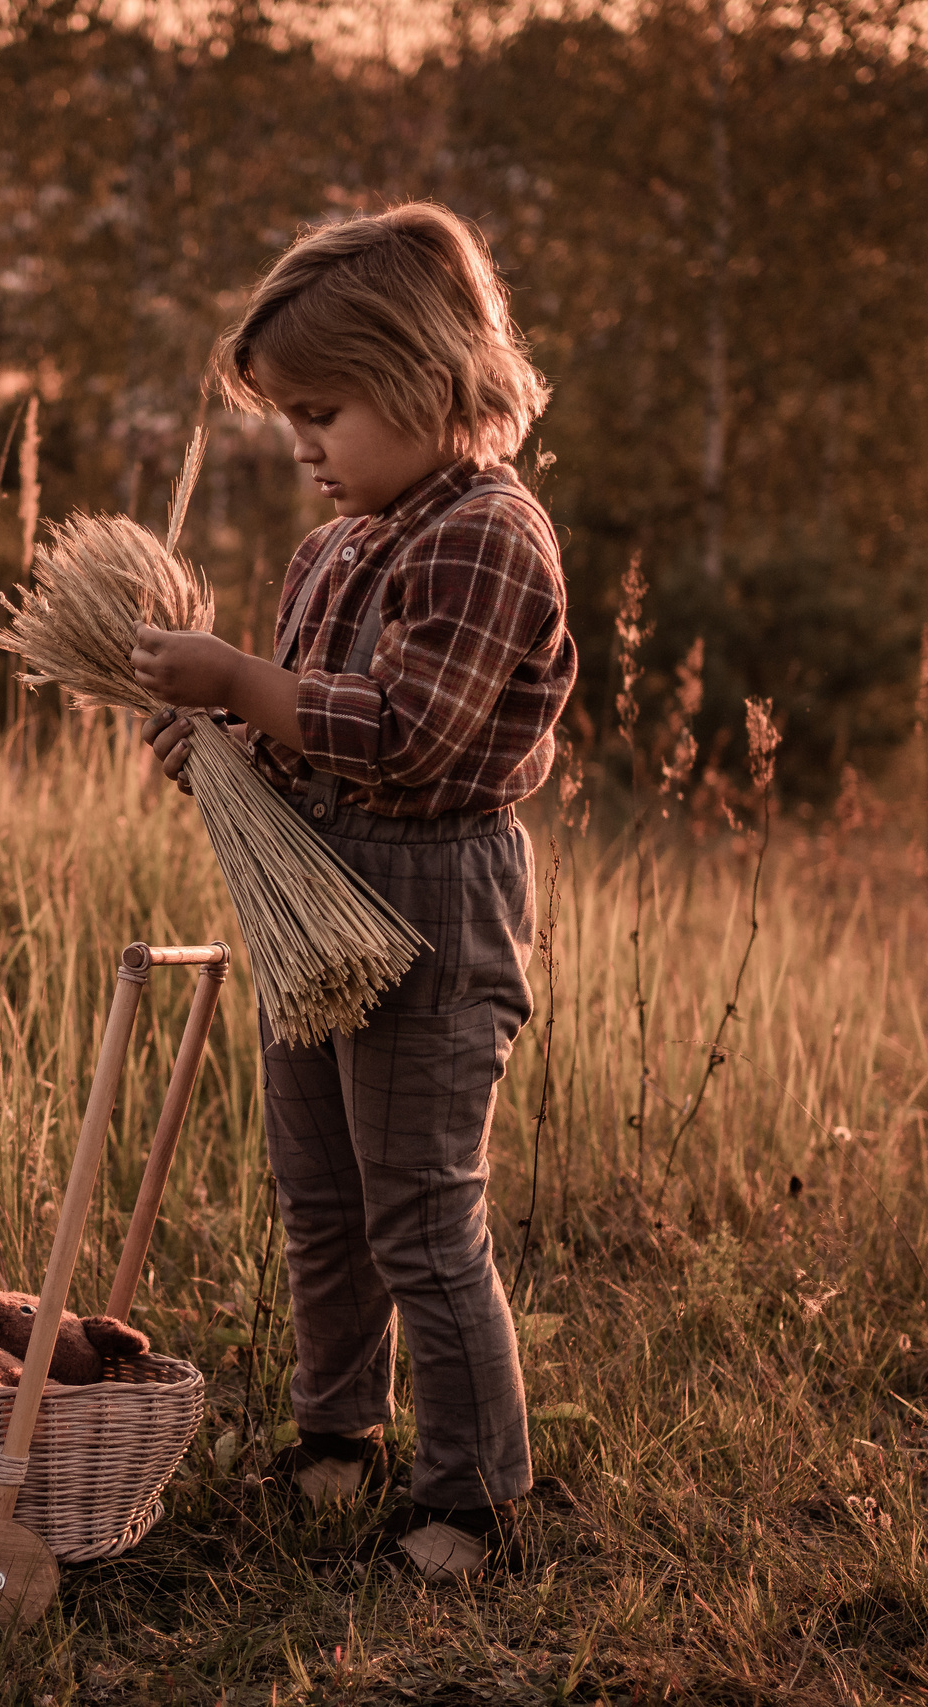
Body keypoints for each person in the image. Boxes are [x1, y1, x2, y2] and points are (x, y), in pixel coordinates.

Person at [129, 202, 577, 1579]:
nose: (306, 445)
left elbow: (413, 735)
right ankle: (341, 1431)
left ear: (429, 379)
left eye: (324, 411)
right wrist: (217, 747)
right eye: (291, 419)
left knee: (422, 1211)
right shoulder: (331, 549)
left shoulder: (489, 533)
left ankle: (475, 1494)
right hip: (311, 900)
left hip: (432, 907)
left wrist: (248, 685)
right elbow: (303, 734)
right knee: (319, 1194)